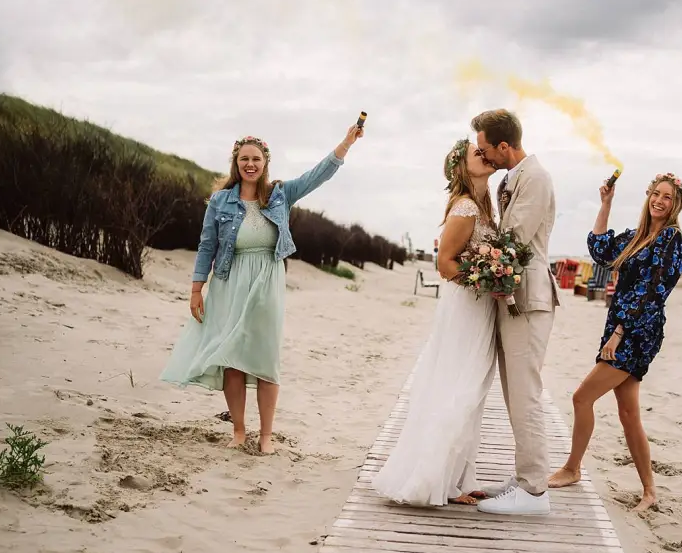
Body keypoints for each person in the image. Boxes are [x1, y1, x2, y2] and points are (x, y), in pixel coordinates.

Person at [161, 124, 364, 454]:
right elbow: (206, 246)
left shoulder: (280, 195)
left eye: (256, 159)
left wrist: (346, 143)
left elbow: (317, 176)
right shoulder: (220, 201)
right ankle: (239, 431)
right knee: (231, 356)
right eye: (244, 159)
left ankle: (266, 435)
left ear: (265, 162)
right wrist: (197, 289)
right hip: (229, 280)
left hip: (267, 280)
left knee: (266, 356)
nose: (250, 164)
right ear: (236, 163)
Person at [548, 173, 682, 512]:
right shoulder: (637, 236)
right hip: (621, 325)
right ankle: (649, 492)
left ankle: (572, 468)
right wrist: (605, 204)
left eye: (667, 197)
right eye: (656, 194)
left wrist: (619, 333)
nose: (659, 201)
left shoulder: (671, 239)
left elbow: (653, 291)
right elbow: (600, 250)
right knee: (628, 413)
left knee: (582, 398)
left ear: (676, 204)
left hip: (637, 331)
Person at [372, 138, 499, 505]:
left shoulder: (484, 207)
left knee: (472, 390)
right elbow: (445, 264)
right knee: (459, 387)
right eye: (477, 153)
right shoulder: (465, 207)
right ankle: (437, 480)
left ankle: (459, 477)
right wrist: (486, 279)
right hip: (466, 308)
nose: (485, 155)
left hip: (481, 308)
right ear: (462, 167)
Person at [470, 109, 560, 516]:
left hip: (528, 298)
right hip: (512, 298)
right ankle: (524, 477)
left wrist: (472, 248)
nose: (483, 155)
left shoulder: (536, 177)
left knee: (526, 394)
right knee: (514, 396)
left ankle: (535, 492)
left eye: (486, 149)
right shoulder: (510, 179)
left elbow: (515, 238)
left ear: (504, 146)